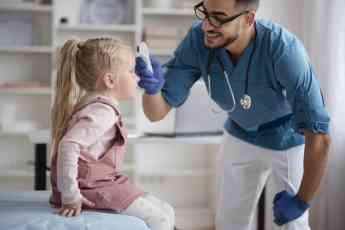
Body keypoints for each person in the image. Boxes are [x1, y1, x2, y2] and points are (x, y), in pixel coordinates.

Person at [135, 0, 331, 229]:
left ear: (248, 18)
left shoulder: (283, 50)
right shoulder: (198, 40)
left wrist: (301, 201)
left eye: (218, 17)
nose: (207, 25)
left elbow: (320, 137)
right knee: (229, 222)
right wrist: (152, 89)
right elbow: (156, 113)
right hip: (240, 133)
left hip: (287, 138)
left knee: (294, 223)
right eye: (205, 13)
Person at [49, 37, 175, 230]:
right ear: (110, 80)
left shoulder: (93, 104)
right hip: (90, 189)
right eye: (131, 72)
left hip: (102, 183)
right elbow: (69, 145)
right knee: (161, 219)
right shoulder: (102, 112)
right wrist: (70, 195)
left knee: (167, 210)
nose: (137, 77)